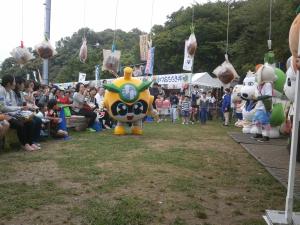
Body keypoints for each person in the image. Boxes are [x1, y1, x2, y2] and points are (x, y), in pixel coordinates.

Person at [0, 75, 39, 151]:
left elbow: (14, 106)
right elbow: (3, 108)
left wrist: (20, 113)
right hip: (6, 115)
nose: (15, 83)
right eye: (14, 82)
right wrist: (19, 109)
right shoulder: (1, 91)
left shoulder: (10, 92)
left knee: (30, 122)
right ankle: (24, 144)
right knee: (20, 124)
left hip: (13, 114)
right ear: (8, 83)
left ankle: (30, 143)